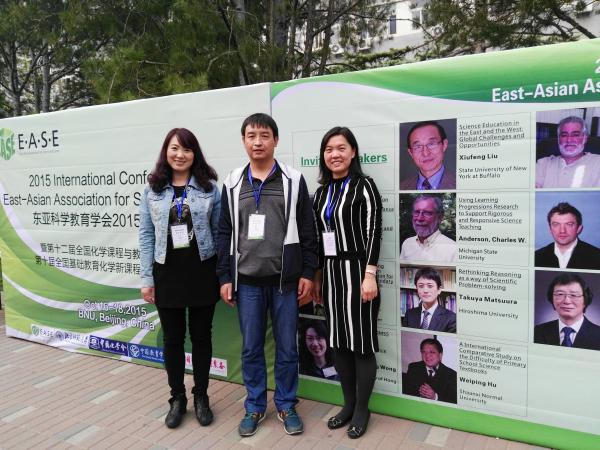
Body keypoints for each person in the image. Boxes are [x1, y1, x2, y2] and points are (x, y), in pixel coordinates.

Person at [216, 113, 317, 437]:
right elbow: (224, 232)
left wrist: (307, 271)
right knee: (251, 349)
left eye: (264, 136)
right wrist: (224, 276)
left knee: (287, 348)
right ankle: (255, 406)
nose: (257, 142)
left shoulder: (293, 179)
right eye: (251, 136)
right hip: (247, 283)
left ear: (275, 140)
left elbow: (307, 229)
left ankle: (286, 404)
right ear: (243, 141)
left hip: (285, 282)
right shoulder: (233, 182)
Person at [139, 128, 220, 429]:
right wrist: (147, 278)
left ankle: (201, 396)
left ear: (194, 154)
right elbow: (146, 235)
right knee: (172, 339)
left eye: (186, 149)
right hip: (167, 273)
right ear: (166, 151)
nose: (180, 154)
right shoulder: (152, 190)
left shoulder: (210, 189)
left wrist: (223, 274)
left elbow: (219, 233)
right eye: (174, 148)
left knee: (201, 337)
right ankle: (177, 398)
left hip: (202, 270)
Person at [312, 126, 382, 439]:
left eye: (341, 148)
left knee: (361, 344)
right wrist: (317, 276)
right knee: (339, 343)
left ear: (353, 152)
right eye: (329, 149)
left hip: (358, 273)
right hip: (330, 274)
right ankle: (348, 405)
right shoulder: (320, 194)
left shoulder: (364, 186)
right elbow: (317, 239)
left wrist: (370, 275)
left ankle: (363, 410)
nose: (335, 154)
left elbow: (374, 232)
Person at [534, 273, 600, 350]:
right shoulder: (538, 331)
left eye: (574, 295)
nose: (566, 301)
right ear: (552, 299)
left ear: (585, 300)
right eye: (560, 294)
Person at [536, 116, 600, 188]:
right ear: (558, 139)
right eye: (564, 135)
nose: (569, 140)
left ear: (585, 138)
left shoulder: (597, 163)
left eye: (575, 135)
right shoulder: (543, 164)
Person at [535, 202, 600, 270]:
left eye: (569, 224)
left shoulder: (596, 256)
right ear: (550, 229)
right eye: (556, 224)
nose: (562, 231)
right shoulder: (537, 257)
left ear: (579, 228)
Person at [399, 194, 456, 264]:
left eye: (427, 213)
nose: (420, 218)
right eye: (416, 212)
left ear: (440, 217)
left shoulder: (453, 249)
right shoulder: (407, 244)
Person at [400, 121, 456, 190]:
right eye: (418, 146)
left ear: (444, 145)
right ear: (411, 153)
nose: (425, 153)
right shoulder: (402, 187)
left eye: (431, 144)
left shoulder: (461, 184)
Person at [402, 338, 457, 404]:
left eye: (432, 352)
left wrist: (435, 397)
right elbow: (407, 392)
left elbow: (453, 401)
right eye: (424, 352)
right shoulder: (413, 368)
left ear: (440, 355)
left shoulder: (451, 375)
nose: (427, 355)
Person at [402, 268, 456, 333]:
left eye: (430, 286)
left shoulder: (451, 318)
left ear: (439, 290)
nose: (425, 290)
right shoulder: (409, 314)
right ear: (417, 289)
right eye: (421, 286)